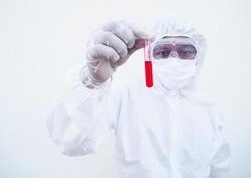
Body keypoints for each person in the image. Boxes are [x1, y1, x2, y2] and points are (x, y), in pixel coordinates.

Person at [47, 18, 231, 178]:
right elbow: (70, 141)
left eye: (185, 51)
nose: (174, 59)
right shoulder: (125, 95)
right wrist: (92, 81)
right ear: (149, 54)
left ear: (198, 56)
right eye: (163, 51)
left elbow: (220, 170)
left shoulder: (210, 110)